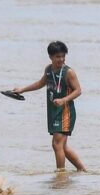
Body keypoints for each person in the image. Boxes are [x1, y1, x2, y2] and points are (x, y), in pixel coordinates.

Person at [13, 41, 86, 172]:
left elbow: (78, 90)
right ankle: (83, 170)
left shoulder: (69, 72)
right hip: (53, 112)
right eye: (58, 56)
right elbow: (41, 83)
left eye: (63, 56)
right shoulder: (48, 69)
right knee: (63, 147)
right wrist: (23, 89)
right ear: (50, 57)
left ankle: (61, 175)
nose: (61, 59)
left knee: (56, 144)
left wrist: (64, 99)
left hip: (65, 112)